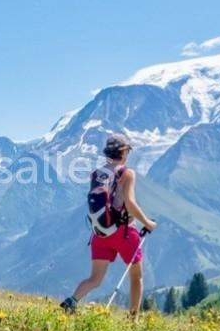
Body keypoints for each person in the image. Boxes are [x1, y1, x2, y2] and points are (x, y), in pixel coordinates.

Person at [59, 134, 157, 317]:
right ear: (124, 152)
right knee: (136, 277)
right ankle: (133, 320)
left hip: (100, 232)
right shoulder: (127, 173)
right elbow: (129, 203)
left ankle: (72, 301)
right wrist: (147, 222)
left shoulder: (97, 173)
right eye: (128, 150)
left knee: (95, 279)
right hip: (124, 232)